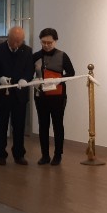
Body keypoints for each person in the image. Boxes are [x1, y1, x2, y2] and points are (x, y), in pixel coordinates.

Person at [33, 28, 75, 166]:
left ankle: (58, 155)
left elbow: (71, 73)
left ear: (55, 41)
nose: (46, 45)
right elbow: (28, 73)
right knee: (43, 125)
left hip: (58, 96)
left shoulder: (62, 55)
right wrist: (33, 81)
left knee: (58, 125)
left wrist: (59, 79)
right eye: (43, 42)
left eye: (49, 42)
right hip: (40, 96)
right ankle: (45, 155)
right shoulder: (36, 56)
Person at [0, 26, 33, 165]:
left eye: (19, 41)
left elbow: (29, 70)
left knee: (19, 126)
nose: (16, 44)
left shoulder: (27, 51)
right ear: (8, 37)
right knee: (1, 126)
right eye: (14, 40)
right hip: (2, 95)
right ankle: (0, 155)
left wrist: (25, 79)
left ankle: (19, 154)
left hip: (19, 95)